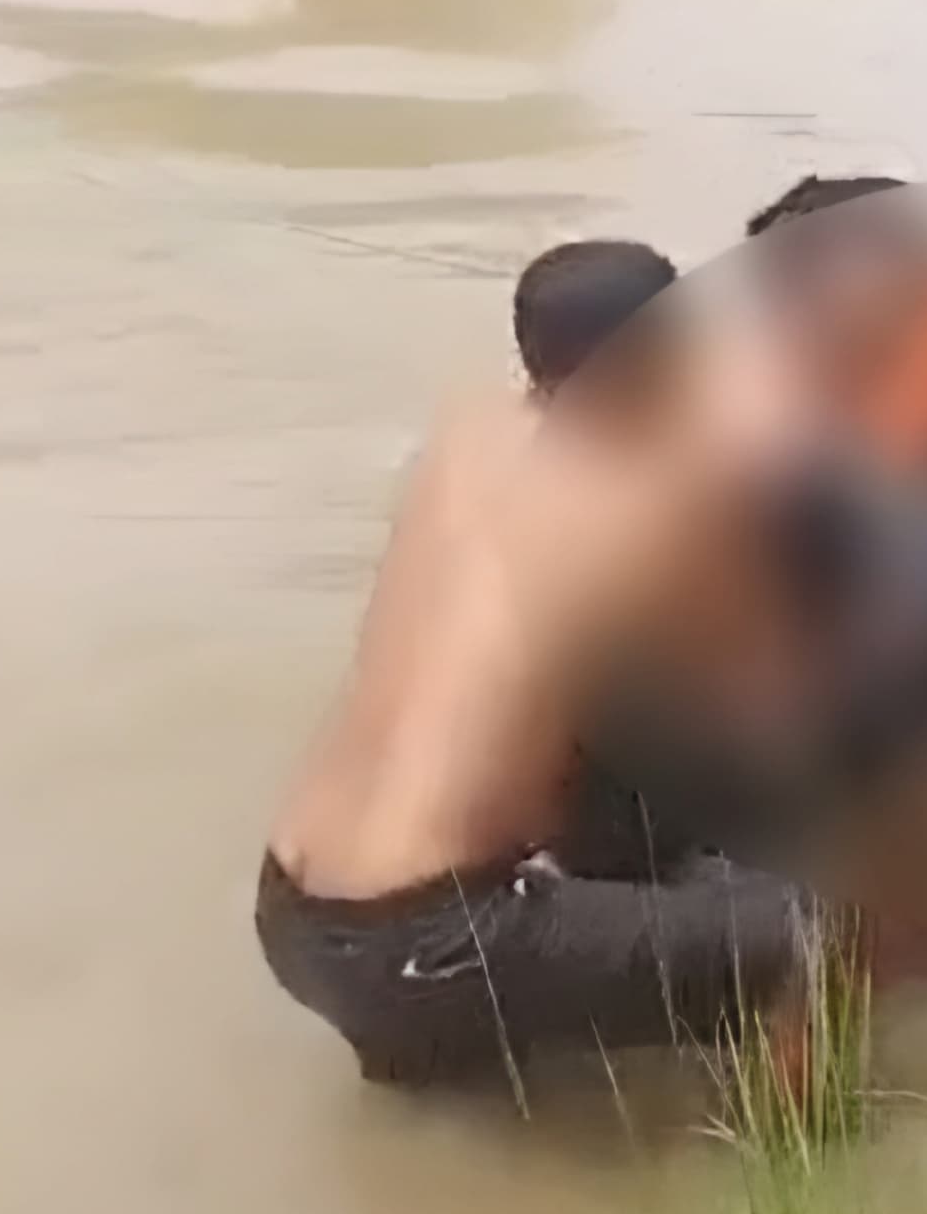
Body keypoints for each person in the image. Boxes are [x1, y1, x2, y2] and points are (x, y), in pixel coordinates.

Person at [258, 239, 837, 1094]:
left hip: (291, 915)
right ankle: (816, 1141)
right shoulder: (650, 500)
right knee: (819, 927)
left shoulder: (470, 429)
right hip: (431, 939)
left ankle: (440, 1086)